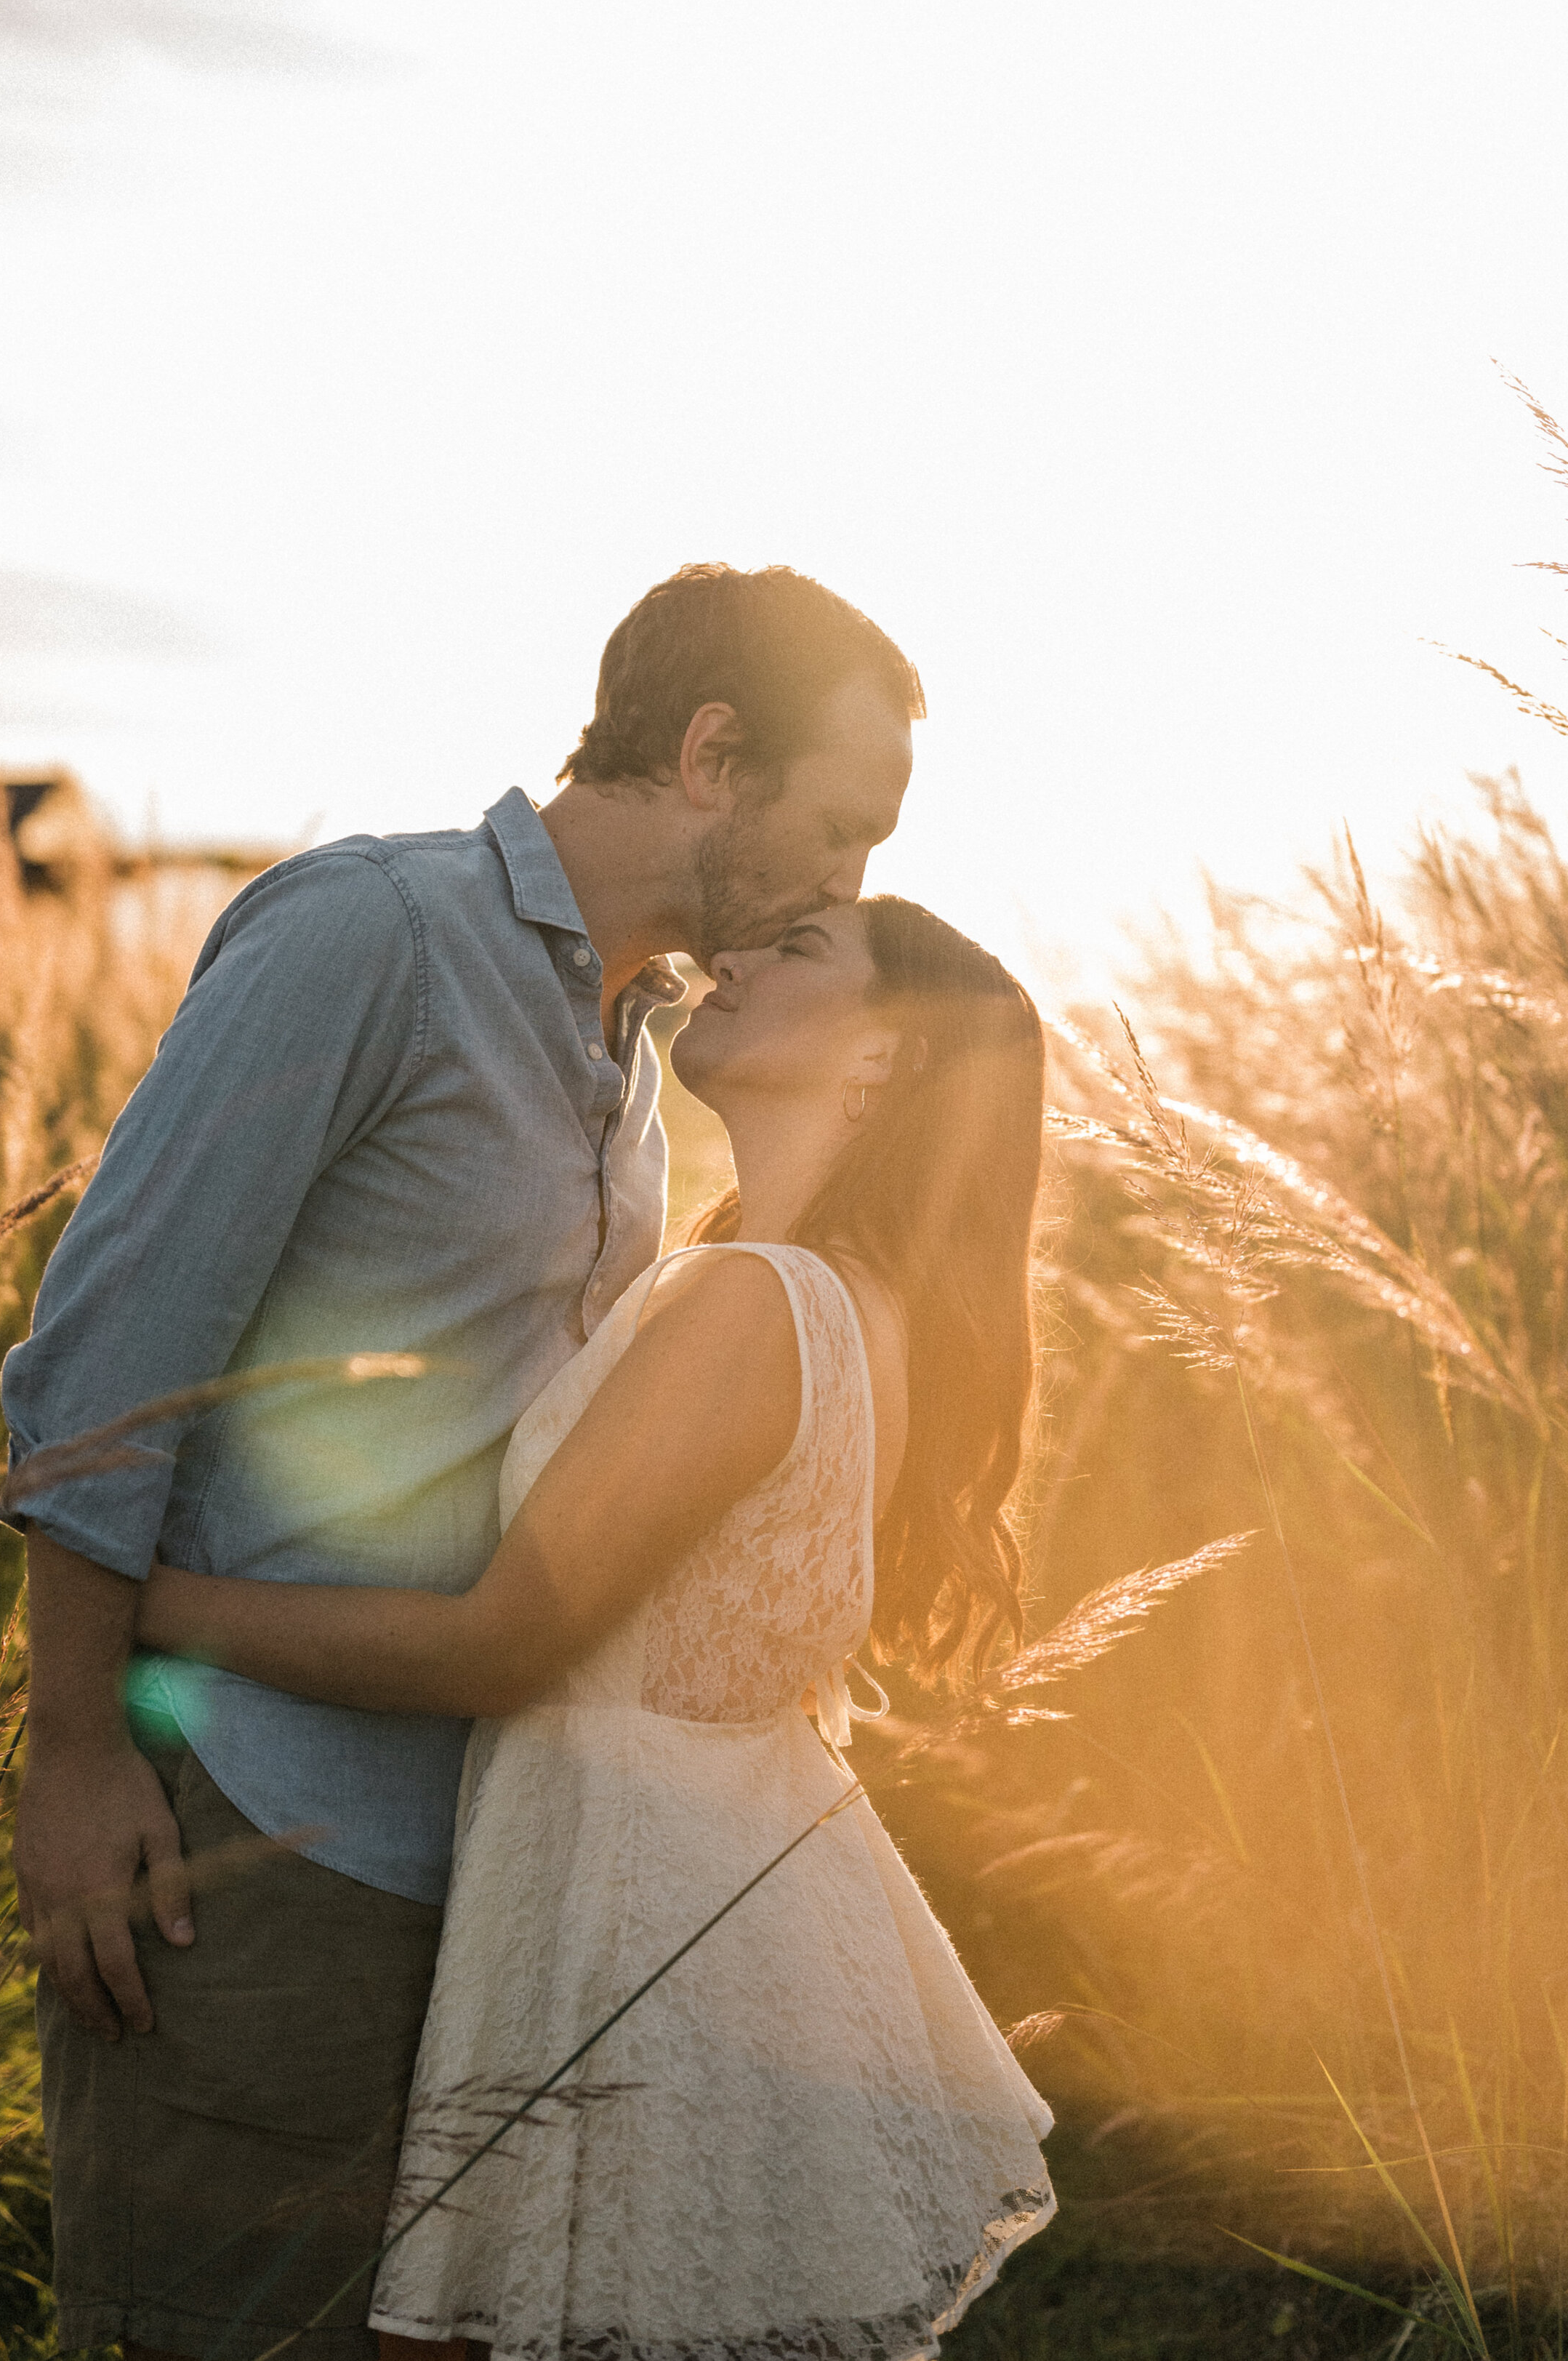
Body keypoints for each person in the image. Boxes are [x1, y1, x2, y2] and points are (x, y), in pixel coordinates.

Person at [1, 564, 922, 2361]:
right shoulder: (372, 935)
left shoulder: (642, 1058)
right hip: (250, 1836)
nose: (847, 887)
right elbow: (110, 1351)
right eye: (839, 829)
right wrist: (73, 1741)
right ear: (715, 752)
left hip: (482, 1871)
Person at [137, 891, 1058, 2361]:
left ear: (883, 1060)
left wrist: (154, 1600)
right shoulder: (845, 1298)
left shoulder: (754, 1302)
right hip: (720, 1884)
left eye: (801, 947)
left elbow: (504, 1643)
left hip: (626, 1907)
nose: (735, 953)